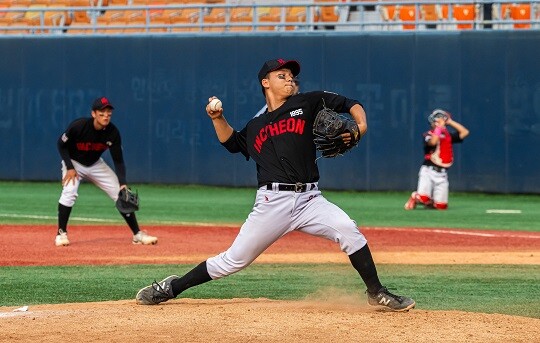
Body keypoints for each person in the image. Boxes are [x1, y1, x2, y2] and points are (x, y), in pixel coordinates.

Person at [136, 59, 415, 311]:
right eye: (282, 75)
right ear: (265, 82)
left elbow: (351, 104)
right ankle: (171, 288)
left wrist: (360, 128)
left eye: (292, 75)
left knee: (348, 230)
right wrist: (217, 118)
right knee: (233, 261)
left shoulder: (308, 102)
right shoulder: (256, 126)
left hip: (310, 199)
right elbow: (233, 144)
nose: (290, 79)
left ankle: (376, 291)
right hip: (272, 203)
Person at [55, 97, 157, 246]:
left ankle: (137, 235)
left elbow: (118, 160)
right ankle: (61, 233)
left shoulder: (112, 132)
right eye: (102, 112)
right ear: (94, 114)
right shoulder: (79, 126)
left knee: (121, 195)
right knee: (69, 191)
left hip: (95, 164)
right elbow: (61, 144)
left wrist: (123, 183)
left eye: (108, 113)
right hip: (74, 163)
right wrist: (69, 167)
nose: (106, 116)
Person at [404, 109, 470, 210]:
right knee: (423, 197)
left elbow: (465, 132)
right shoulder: (428, 135)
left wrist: (450, 122)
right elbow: (433, 142)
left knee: (441, 206)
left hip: (442, 174)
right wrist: (439, 127)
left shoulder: (447, 136)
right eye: (436, 120)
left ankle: (430, 202)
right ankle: (415, 197)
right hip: (428, 171)